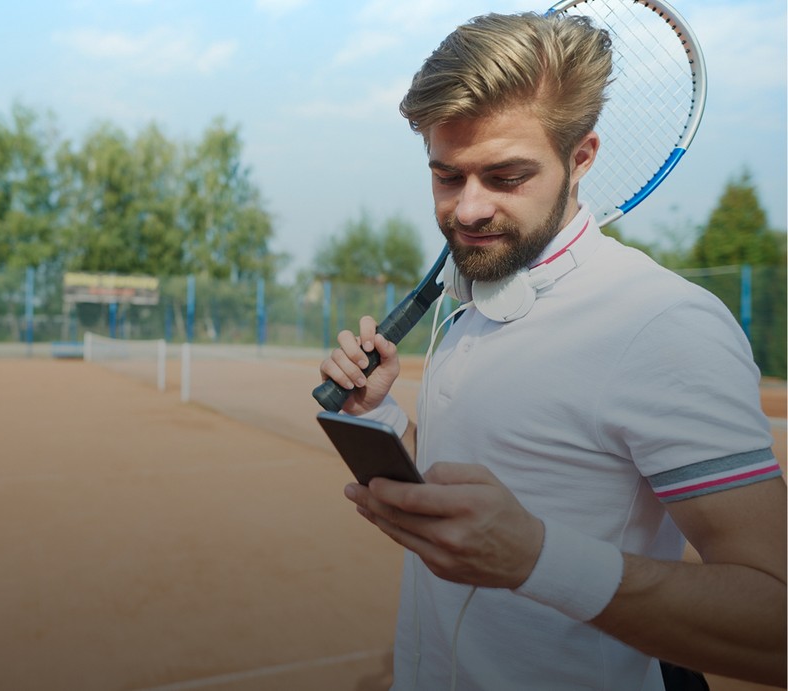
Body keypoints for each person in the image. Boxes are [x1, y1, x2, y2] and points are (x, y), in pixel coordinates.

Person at [318, 12, 786, 691]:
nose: (467, 210)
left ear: (582, 157)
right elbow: (474, 503)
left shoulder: (663, 324)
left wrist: (537, 558)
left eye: (505, 176)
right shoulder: (477, 296)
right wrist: (382, 413)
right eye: (447, 176)